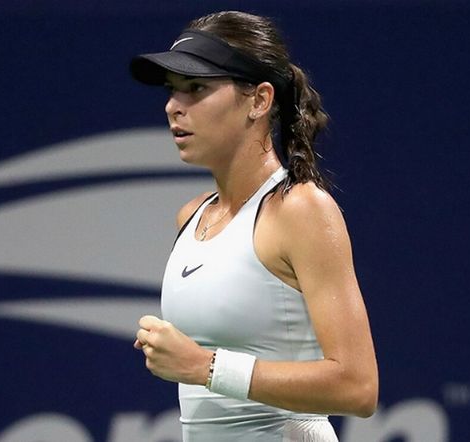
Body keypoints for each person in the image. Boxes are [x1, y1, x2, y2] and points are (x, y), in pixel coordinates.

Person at [129, 11, 379, 442]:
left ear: (260, 100)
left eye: (196, 88)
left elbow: (358, 387)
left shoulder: (301, 210)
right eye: (172, 90)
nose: (173, 106)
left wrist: (205, 367)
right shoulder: (191, 217)